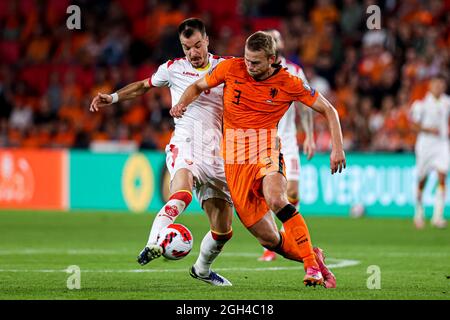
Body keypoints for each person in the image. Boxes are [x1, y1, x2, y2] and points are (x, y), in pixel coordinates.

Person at [171, 31, 346, 288]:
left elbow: (328, 109)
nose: (249, 66)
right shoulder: (232, 68)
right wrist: (181, 105)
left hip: (265, 152)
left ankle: (310, 265)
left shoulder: (289, 81)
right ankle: (314, 257)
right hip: (234, 165)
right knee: (270, 239)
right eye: (247, 59)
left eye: (255, 62)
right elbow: (198, 85)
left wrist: (337, 148)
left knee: (277, 198)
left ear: (271, 59)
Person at [89, 18, 234, 286]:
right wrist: (114, 97)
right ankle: (153, 243)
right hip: (186, 142)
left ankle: (201, 270)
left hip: (216, 153)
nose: (192, 52)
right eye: (186, 47)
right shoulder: (172, 69)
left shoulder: (225, 68)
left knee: (223, 231)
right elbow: (144, 86)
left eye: (197, 45)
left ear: (207, 41)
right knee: (182, 192)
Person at [258, 29, 316, 262]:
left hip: (288, 142)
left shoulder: (294, 71)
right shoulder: (256, 71)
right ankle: (272, 244)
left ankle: (289, 237)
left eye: (277, 37)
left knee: (291, 192)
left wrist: (310, 136)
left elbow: (306, 103)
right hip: (263, 143)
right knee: (268, 196)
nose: (274, 41)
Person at [410, 72, 449, 229]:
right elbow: (413, 125)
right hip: (425, 145)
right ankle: (419, 211)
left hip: (442, 144)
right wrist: (428, 129)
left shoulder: (447, 102)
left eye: (441, 84)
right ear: (430, 86)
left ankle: (437, 216)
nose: (438, 87)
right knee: (422, 180)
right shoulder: (421, 104)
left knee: (442, 176)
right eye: (435, 84)